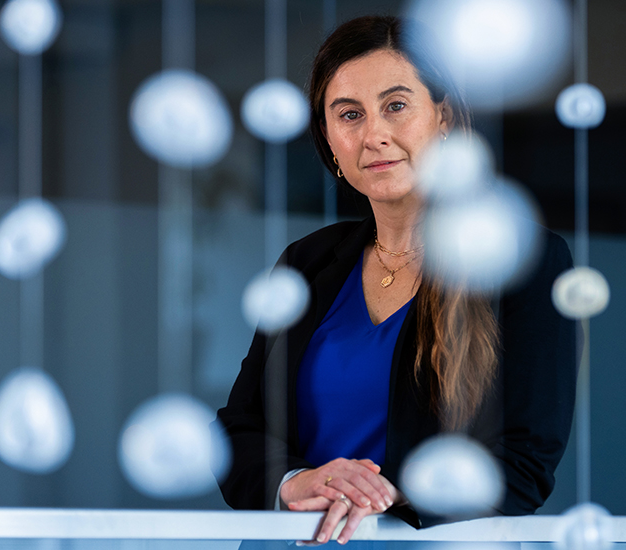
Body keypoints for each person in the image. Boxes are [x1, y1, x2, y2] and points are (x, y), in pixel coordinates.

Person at [216, 15, 577, 543]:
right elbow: (239, 429)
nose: (374, 135)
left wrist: (387, 491)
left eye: (396, 106)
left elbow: (525, 464)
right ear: (328, 137)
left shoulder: (523, 259)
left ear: (445, 119)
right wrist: (295, 482)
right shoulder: (306, 263)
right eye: (349, 114)